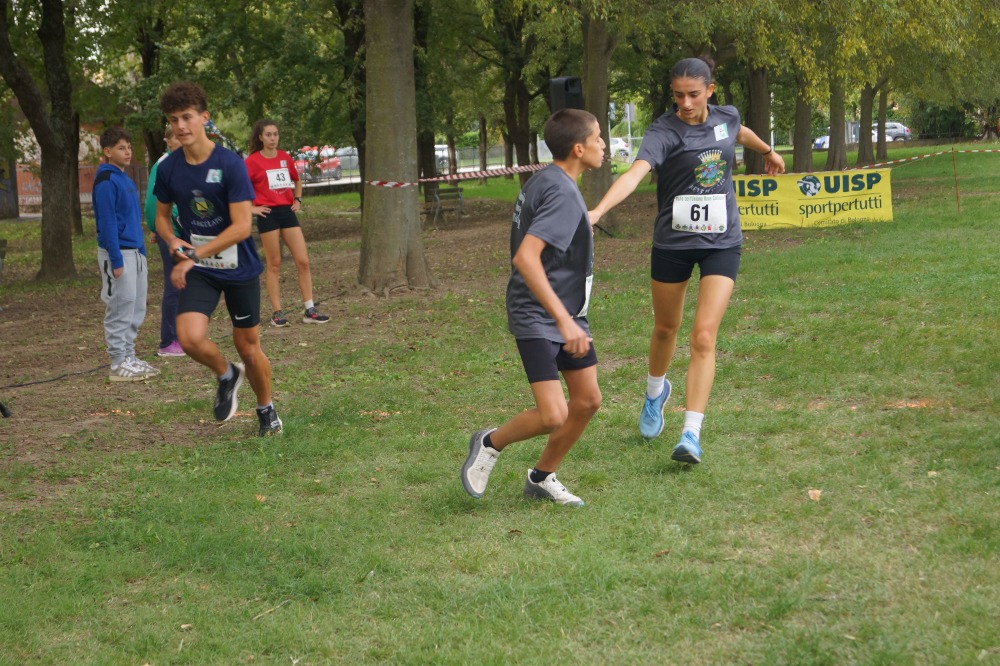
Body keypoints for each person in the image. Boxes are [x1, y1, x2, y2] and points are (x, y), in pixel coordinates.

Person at [589, 57, 785, 464]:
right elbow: (635, 173)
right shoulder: (663, 131)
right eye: (678, 95)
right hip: (673, 243)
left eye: (694, 94)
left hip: (722, 243)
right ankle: (655, 393)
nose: (686, 103)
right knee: (666, 328)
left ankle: (691, 433)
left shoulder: (726, 117)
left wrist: (770, 151)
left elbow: (740, 132)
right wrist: (598, 211)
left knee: (703, 336)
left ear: (710, 90)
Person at [460, 108, 605, 507]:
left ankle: (541, 477)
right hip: (540, 313)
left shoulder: (548, 178)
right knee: (553, 414)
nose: (603, 145)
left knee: (587, 400)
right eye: (597, 138)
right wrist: (563, 320)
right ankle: (489, 442)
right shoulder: (562, 193)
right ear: (579, 149)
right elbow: (526, 257)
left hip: (567, 312)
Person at [153, 81, 282, 436]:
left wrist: (193, 254)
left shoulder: (229, 163)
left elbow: (241, 226)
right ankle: (227, 375)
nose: (181, 126)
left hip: (238, 267)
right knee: (189, 337)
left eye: (187, 117)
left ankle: (266, 409)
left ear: (204, 118)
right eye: (174, 120)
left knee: (248, 346)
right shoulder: (168, 168)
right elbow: (161, 217)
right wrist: (172, 239)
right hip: (200, 268)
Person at [244, 119, 330, 327]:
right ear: (260, 137)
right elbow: (240, 188)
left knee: (303, 260)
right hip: (267, 214)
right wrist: (251, 208)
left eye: (275, 134)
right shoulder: (252, 162)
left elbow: (297, 180)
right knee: (274, 263)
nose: (273, 138)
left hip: (287, 212)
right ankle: (277, 313)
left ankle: (309, 309)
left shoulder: (285, 157)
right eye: (268, 134)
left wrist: (297, 200)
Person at [93, 127, 158, 382]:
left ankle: (129, 357)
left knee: (136, 307)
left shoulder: (126, 180)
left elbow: (132, 218)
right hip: (118, 254)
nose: (128, 152)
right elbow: (107, 223)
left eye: (129, 147)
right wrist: (116, 260)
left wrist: (141, 251)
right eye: (121, 148)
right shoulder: (106, 181)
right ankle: (118, 362)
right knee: (120, 306)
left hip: (135, 253)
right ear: (108, 152)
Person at [143, 126, 185, 357]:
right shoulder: (163, 165)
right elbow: (153, 204)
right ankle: (168, 341)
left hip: (185, 234)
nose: (182, 139)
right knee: (174, 283)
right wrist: (157, 228)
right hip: (171, 234)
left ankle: (184, 335)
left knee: (188, 283)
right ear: (167, 141)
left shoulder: (185, 162)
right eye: (176, 137)